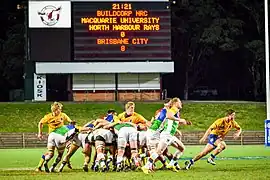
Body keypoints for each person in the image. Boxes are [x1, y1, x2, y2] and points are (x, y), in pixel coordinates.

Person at [35, 102, 73, 172]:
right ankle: (45, 167)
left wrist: (71, 123)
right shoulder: (48, 117)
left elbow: (70, 121)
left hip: (55, 136)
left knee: (50, 153)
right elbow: (40, 123)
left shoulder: (63, 115)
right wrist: (40, 133)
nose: (60, 111)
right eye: (59, 109)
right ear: (54, 110)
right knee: (56, 153)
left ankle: (39, 166)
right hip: (57, 136)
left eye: (61, 109)